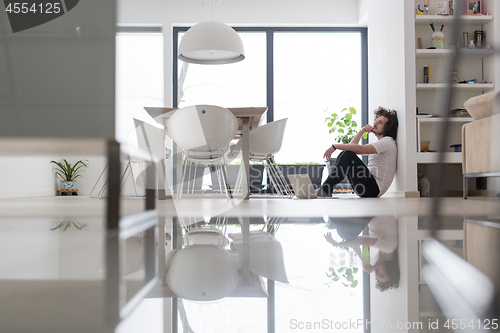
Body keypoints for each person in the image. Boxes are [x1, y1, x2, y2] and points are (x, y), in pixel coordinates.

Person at [317, 107, 398, 198]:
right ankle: (325, 189)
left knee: (348, 155)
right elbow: (352, 147)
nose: (375, 124)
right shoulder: (380, 143)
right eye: (376, 121)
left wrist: (335, 146)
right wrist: (362, 131)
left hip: (373, 189)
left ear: (387, 128)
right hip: (368, 188)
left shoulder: (387, 142)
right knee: (348, 153)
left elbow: (358, 150)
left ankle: (325, 189)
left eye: (380, 122)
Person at [324, 216, 400, 291]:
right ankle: (332, 215)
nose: (377, 274)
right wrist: (335, 244)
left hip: (372, 213)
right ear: (389, 269)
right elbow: (360, 241)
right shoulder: (389, 247)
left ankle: (333, 215)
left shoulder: (381, 248)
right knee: (347, 234)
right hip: (376, 210)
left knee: (345, 234)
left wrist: (363, 259)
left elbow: (356, 241)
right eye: (382, 275)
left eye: (377, 277)